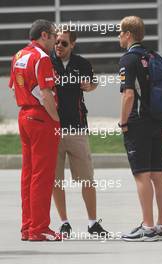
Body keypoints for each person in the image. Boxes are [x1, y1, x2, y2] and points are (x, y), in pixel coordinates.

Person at [51, 26, 109, 238]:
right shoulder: (47, 62)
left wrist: (90, 86)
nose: (58, 46)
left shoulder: (82, 63)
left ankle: (92, 223)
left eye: (64, 43)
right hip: (52, 130)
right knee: (56, 180)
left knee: (86, 179)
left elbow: (94, 83)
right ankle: (64, 223)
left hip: (77, 129)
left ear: (73, 44)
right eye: (56, 42)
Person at [9, 19, 62, 241]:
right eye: (53, 36)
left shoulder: (19, 55)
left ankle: (28, 227)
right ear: (44, 35)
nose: (56, 41)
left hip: (24, 116)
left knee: (29, 175)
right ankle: (40, 228)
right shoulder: (42, 58)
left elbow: (14, 89)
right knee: (43, 175)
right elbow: (47, 93)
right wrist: (56, 120)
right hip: (41, 119)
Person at [118, 16, 162, 241]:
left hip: (137, 122)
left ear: (129, 34)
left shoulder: (128, 60)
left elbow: (128, 95)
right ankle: (161, 226)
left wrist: (123, 122)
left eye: (120, 33)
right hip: (157, 121)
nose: (119, 37)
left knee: (141, 175)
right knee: (158, 174)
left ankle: (147, 228)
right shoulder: (153, 56)